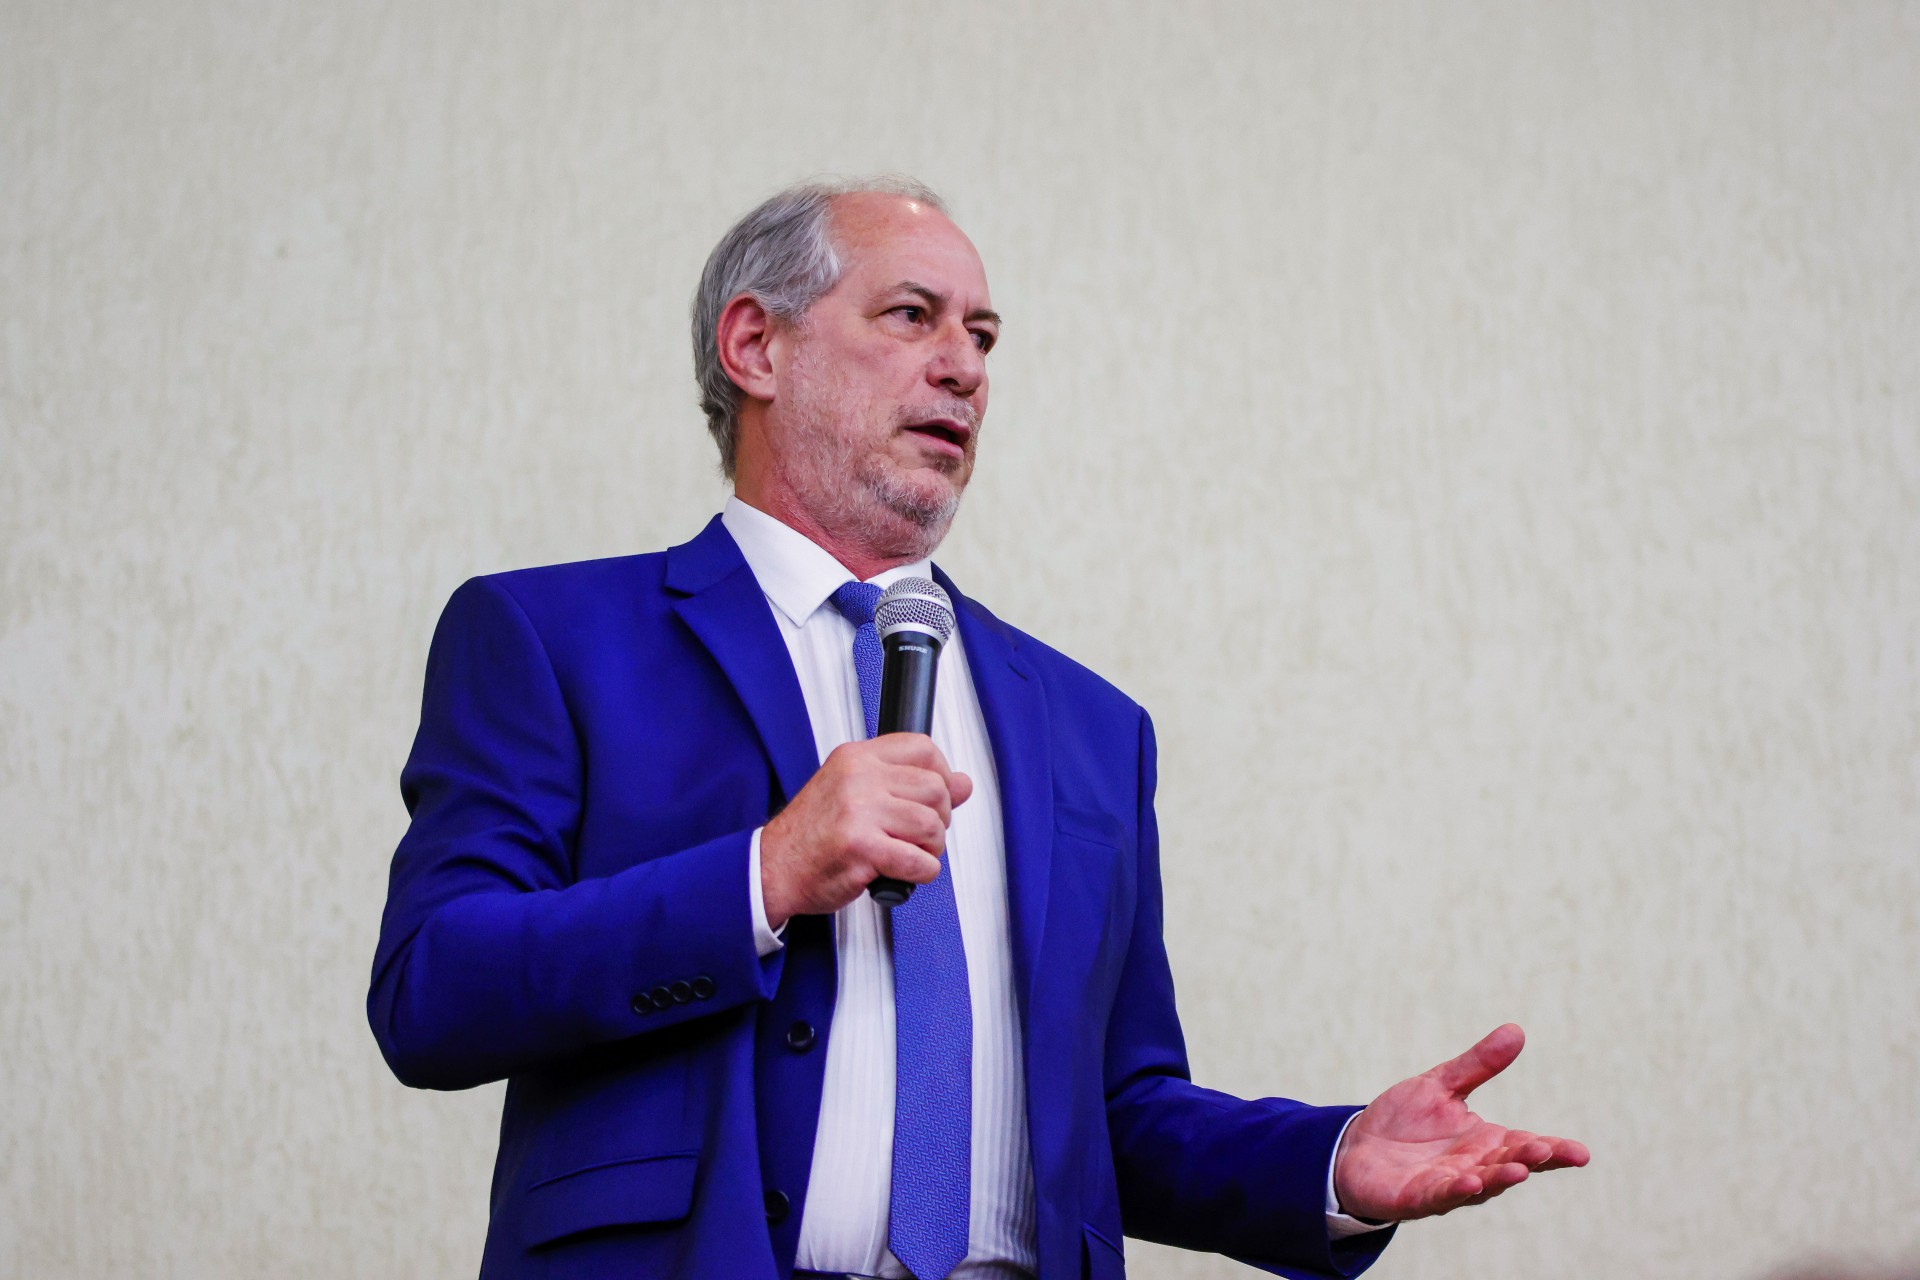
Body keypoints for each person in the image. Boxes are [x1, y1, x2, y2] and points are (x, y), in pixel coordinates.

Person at [368, 176, 1588, 1280]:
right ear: (757, 345)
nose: (965, 366)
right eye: (912, 316)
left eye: (984, 336)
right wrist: (763, 872)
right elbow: (433, 988)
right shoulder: (551, 636)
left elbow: (1113, 1109)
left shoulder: (1091, 726)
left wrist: (1327, 1162)